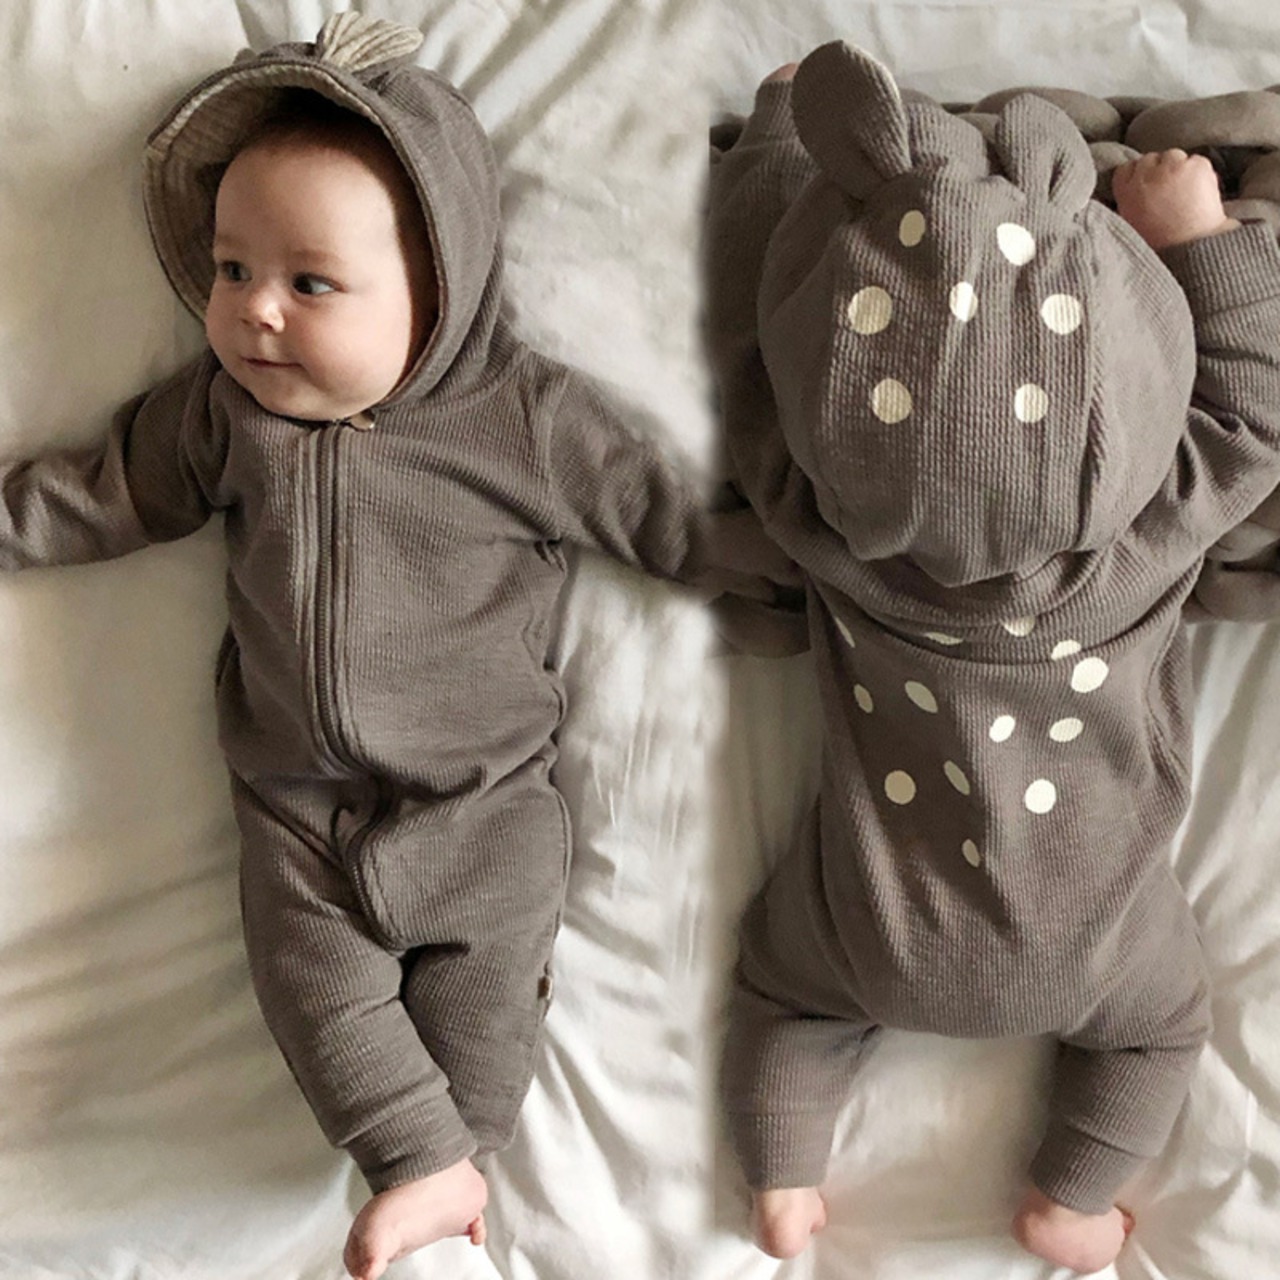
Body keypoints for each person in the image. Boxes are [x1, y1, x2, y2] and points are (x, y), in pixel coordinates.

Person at [0, 15, 772, 1280]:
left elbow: (667, 522)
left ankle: (453, 1166)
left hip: (481, 801)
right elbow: (102, 492)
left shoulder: (518, 417)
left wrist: (804, 579)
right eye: (231, 268)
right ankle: (420, 1163)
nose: (254, 311)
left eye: (309, 283)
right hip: (296, 806)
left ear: (438, 286)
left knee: (488, 989)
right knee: (312, 989)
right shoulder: (222, 418)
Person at [705, 41, 1280, 1274]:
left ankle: (782, 1174)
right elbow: (1253, 411)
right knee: (1158, 1037)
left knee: (783, 1001)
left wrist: (773, 142)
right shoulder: (1141, 535)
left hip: (871, 930)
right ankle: (1067, 1199)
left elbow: (750, 348)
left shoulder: (823, 527)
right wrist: (1196, 240)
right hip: (1097, 941)